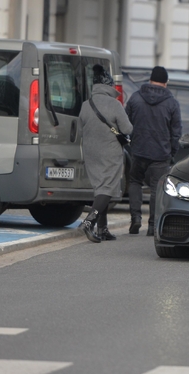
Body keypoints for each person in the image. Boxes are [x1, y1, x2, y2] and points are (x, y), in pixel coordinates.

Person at [78, 65, 133, 243]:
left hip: (91, 152)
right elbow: (127, 128)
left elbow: (80, 127)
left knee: (100, 188)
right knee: (107, 188)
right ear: (109, 86)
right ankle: (89, 222)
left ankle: (103, 229)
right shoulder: (114, 104)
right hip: (110, 152)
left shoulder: (86, 104)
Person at [125, 66, 182, 236]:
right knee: (157, 189)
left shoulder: (135, 98)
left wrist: (131, 141)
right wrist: (172, 152)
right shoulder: (172, 102)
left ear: (150, 80)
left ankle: (135, 218)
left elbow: (126, 123)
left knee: (135, 181)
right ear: (165, 82)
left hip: (138, 150)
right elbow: (176, 132)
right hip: (161, 153)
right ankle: (152, 225)